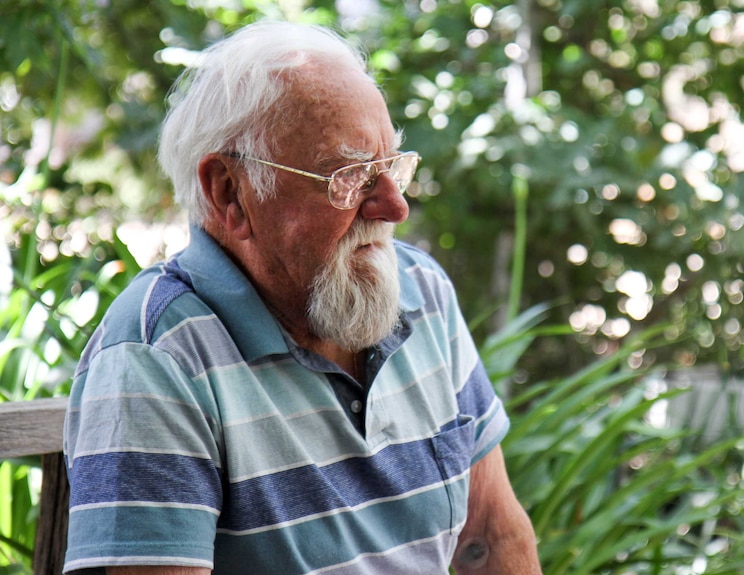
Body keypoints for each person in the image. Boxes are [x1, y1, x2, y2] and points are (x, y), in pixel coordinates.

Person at [63, 20, 540, 575]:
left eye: (392, 169)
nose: (394, 207)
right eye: (351, 176)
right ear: (229, 192)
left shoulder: (420, 290)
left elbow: (492, 535)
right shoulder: (158, 360)